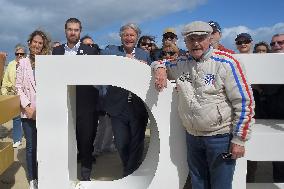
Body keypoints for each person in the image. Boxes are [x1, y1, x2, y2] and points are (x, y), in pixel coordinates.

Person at [152, 21, 255, 189]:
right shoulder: (181, 63)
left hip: (220, 137)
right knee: (198, 183)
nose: (196, 43)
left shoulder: (227, 63)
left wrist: (240, 139)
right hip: (192, 137)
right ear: (185, 42)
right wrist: (160, 69)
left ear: (209, 39)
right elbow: (159, 63)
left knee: (220, 185)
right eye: (191, 39)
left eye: (201, 38)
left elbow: (244, 103)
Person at [52, 18, 99, 181]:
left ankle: (85, 177)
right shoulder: (56, 52)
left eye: (76, 29)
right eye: (70, 29)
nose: (73, 32)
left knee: (85, 142)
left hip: (85, 105)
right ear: (65, 31)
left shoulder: (91, 51)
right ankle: (63, 176)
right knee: (63, 141)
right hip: (63, 104)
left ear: (80, 31)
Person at [101, 23, 150, 177]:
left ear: (136, 37)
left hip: (138, 106)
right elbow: (102, 54)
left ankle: (130, 172)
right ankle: (129, 167)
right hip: (117, 106)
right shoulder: (112, 51)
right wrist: (127, 58)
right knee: (121, 143)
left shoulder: (144, 54)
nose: (129, 38)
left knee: (137, 142)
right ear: (121, 37)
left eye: (132, 35)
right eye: (126, 35)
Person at [16, 29, 51, 189]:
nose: (37, 45)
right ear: (29, 43)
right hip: (27, 112)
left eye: (40, 43)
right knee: (31, 147)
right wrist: (27, 107)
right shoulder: (22, 62)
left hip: (45, 112)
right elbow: (18, 87)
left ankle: (45, 176)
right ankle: (33, 179)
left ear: (43, 45)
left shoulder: (48, 61)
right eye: (34, 42)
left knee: (44, 146)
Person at [1, 44, 27, 148]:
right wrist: (4, 93)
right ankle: (17, 139)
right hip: (13, 95)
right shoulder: (11, 65)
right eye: (17, 54)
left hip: (25, 95)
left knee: (26, 119)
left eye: (22, 54)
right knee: (16, 117)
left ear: (25, 54)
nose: (19, 55)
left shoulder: (28, 64)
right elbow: (5, 80)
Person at [268, 33, 284, 183]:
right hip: (271, 119)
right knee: (278, 165)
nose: (276, 46)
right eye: (273, 44)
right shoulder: (267, 66)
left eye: (281, 42)